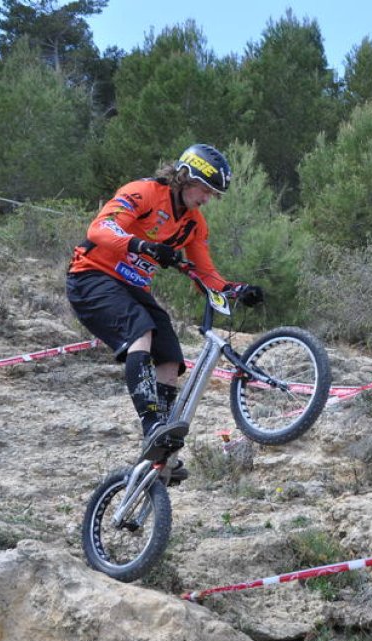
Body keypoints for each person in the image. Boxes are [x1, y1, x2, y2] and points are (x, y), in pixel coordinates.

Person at [65, 144, 263, 483]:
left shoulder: (193, 225)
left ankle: (160, 446)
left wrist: (236, 289)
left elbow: (206, 275)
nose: (207, 199)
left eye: (213, 194)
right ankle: (152, 425)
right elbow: (100, 229)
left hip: (132, 288)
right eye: (206, 190)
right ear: (186, 177)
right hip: (91, 276)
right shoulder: (142, 192)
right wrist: (142, 245)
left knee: (170, 356)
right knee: (140, 331)